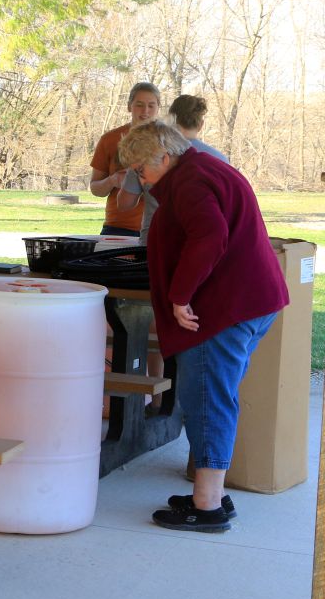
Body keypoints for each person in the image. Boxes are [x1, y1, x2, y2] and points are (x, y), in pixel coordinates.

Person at [117, 119, 288, 533]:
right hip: (250, 300)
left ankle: (207, 504)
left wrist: (179, 295)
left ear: (164, 155)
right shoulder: (204, 168)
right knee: (216, 395)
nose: (142, 178)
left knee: (207, 398)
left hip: (223, 308)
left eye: (143, 169)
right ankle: (213, 494)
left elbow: (209, 236)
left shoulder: (191, 180)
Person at [118, 94, 228, 243]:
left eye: (141, 172)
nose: (144, 181)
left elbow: (125, 203)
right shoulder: (220, 159)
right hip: (182, 243)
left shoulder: (149, 153)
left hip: (170, 242)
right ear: (201, 124)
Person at [88, 81, 161, 236]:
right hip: (118, 227)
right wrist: (112, 180)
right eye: (139, 105)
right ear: (129, 106)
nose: (145, 111)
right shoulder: (109, 140)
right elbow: (95, 188)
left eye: (151, 105)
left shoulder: (169, 142)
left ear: (158, 108)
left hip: (158, 228)